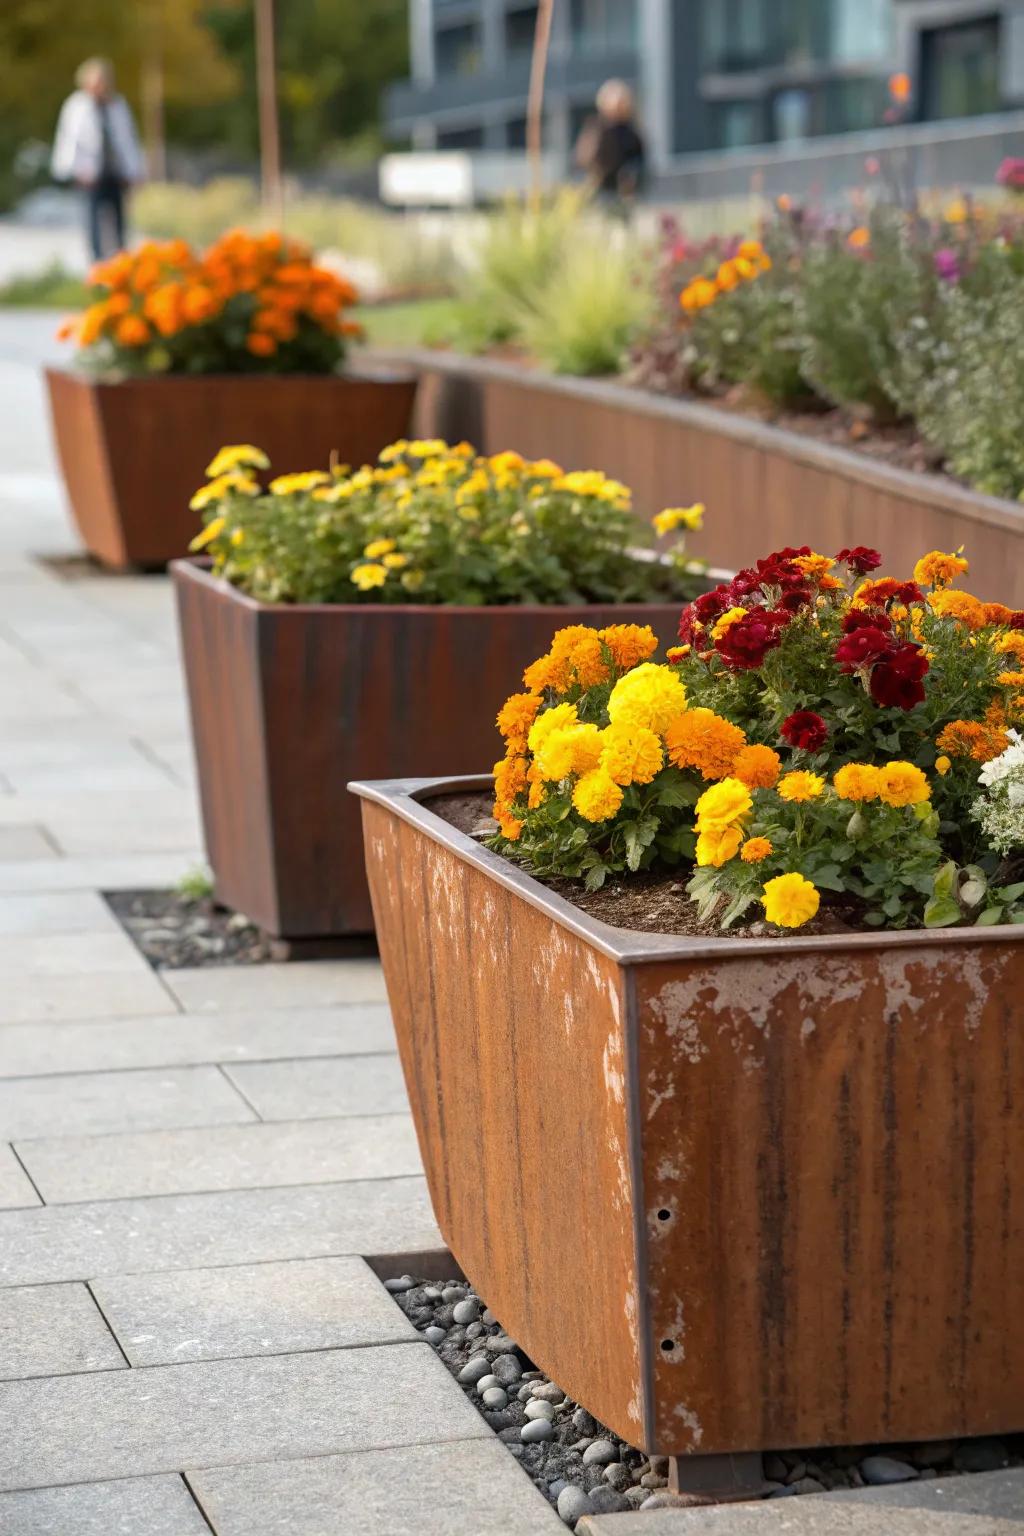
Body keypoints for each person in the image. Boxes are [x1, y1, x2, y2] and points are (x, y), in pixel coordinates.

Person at [52, 58, 145, 261]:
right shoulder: (77, 105)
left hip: (116, 173)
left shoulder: (117, 105)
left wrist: (134, 170)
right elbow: (69, 140)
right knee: (93, 223)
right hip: (90, 175)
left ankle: (121, 264)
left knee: (119, 222)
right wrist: (73, 169)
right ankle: (96, 266)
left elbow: (129, 140)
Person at [574, 79, 646, 206]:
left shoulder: (631, 132)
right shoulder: (596, 128)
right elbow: (585, 157)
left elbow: (639, 158)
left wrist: (631, 178)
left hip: (623, 191)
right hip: (600, 189)